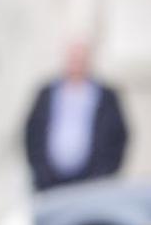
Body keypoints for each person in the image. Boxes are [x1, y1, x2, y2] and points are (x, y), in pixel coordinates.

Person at [24, 41, 129, 192]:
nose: (76, 64)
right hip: (50, 182)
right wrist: (40, 171)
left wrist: (105, 173)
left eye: (81, 59)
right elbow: (32, 133)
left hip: (92, 182)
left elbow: (119, 136)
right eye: (73, 59)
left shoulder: (106, 96)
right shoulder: (47, 93)